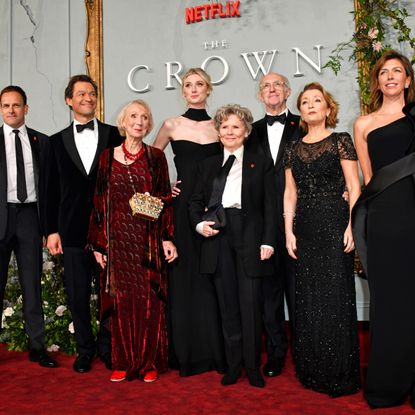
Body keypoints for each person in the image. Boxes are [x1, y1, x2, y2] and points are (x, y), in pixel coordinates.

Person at [88, 100, 177, 382]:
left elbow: (164, 200)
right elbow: (99, 202)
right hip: (117, 243)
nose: (139, 121)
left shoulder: (155, 157)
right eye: (134, 116)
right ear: (123, 122)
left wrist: (166, 238)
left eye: (145, 117)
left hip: (147, 241)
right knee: (122, 303)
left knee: (148, 302)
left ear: (149, 125)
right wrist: (100, 244)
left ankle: (149, 362)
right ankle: (123, 361)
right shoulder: (106, 157)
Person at [189, 104, 277, 388]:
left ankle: (252, 367)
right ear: (218, 131)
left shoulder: (260, 162)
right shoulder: (207, 165)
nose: (229, 131)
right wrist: (199, 225)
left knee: (250, 305)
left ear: (247, 132)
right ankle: (233, 365)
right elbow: (194, 202)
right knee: (228, 306)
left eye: (236, 127)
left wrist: (267, 240)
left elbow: (270, 206)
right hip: (217, 235)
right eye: (224, 127)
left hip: (249, 235)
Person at [284, 82, 360, 396]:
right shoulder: (292, 147)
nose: (312, 105)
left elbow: (354, 187)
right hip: (305, 226)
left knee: (336, 295)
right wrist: (288, 230)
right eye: (305, 101)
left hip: (334, 222)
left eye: (318, 100)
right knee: (308, 299)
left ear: (328, 108)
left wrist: (353, 226)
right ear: (301, 111)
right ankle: (312, 369)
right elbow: (290, 193)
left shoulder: (341, 140)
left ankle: (340, 370)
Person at [45, 74, 123, 373]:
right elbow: (49, 190)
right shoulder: (54, 143)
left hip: (109, 231)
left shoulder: (116, 135)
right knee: (77, 294)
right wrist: (50, 230)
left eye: (91, 93)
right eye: (80, 94)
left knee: (109, 293)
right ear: (69, 100)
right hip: (72, 230)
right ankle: (85, 350)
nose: (87, 98)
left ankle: (107, 347)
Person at [352, 50, 415, 409]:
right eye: (384, 72)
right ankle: (388, 383)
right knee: (389, 299)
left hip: (413, 208)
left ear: (407, 80)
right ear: (377, 82)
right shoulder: (363, 123)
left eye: (398, 71)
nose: (390, 76)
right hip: (384, 216)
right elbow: (369, 178)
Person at [153, 68, 225, 376]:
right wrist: (165, 188)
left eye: (199, 84)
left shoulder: (221, 125)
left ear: (208, 89)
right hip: (182, 210)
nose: (194, 89)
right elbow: (150, 163)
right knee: (184, 280)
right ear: (183, 91)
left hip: (214, 208)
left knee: (213, 278)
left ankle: (215, 352)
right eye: (188, 85)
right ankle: (185, 353)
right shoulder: (171, 124)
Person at [245, 72, 300, 377]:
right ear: (259, 95)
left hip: (300, 222)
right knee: (268, 295)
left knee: (299, 291)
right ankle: (277, 352)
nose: (272, 89)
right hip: (262, 224)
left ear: (288, 91)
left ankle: (304, 352)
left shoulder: (304, 124)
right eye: (266, 86)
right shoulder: (248, 132)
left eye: (277, 84)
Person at [0, 85, 57, 368]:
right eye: (6, 106)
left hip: (29, 219)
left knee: (32, 285)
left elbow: (48, 189)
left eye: (16, 105)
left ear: (26, 108)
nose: (11, 110)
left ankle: (38, 347)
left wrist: (48, 228)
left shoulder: (41, 142)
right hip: (1, 216)